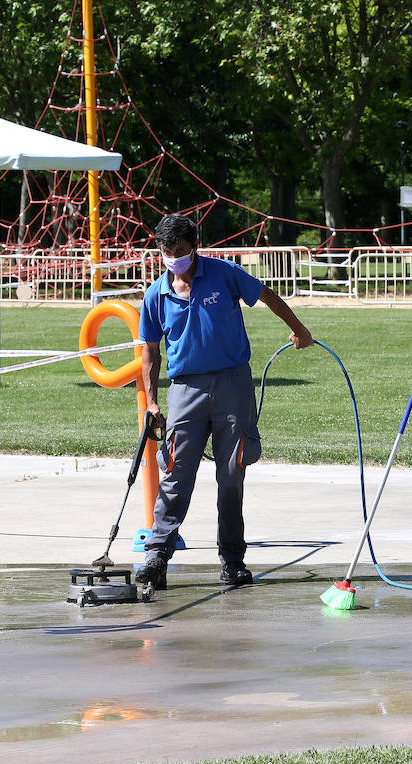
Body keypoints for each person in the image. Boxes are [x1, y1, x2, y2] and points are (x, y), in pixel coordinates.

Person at [134, 213, 313, 590]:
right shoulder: (155, 295)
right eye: (167, 252)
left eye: (180, 251)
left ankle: (232, 559)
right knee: (176, 473)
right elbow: (150, 352)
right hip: (185, 389)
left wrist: (297, 328)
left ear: (194, 247)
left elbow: (265, 294)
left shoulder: (224, 273)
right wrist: (151, 402)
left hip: (233, 384)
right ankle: (157, 555)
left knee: (231, 474)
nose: (174, 258)